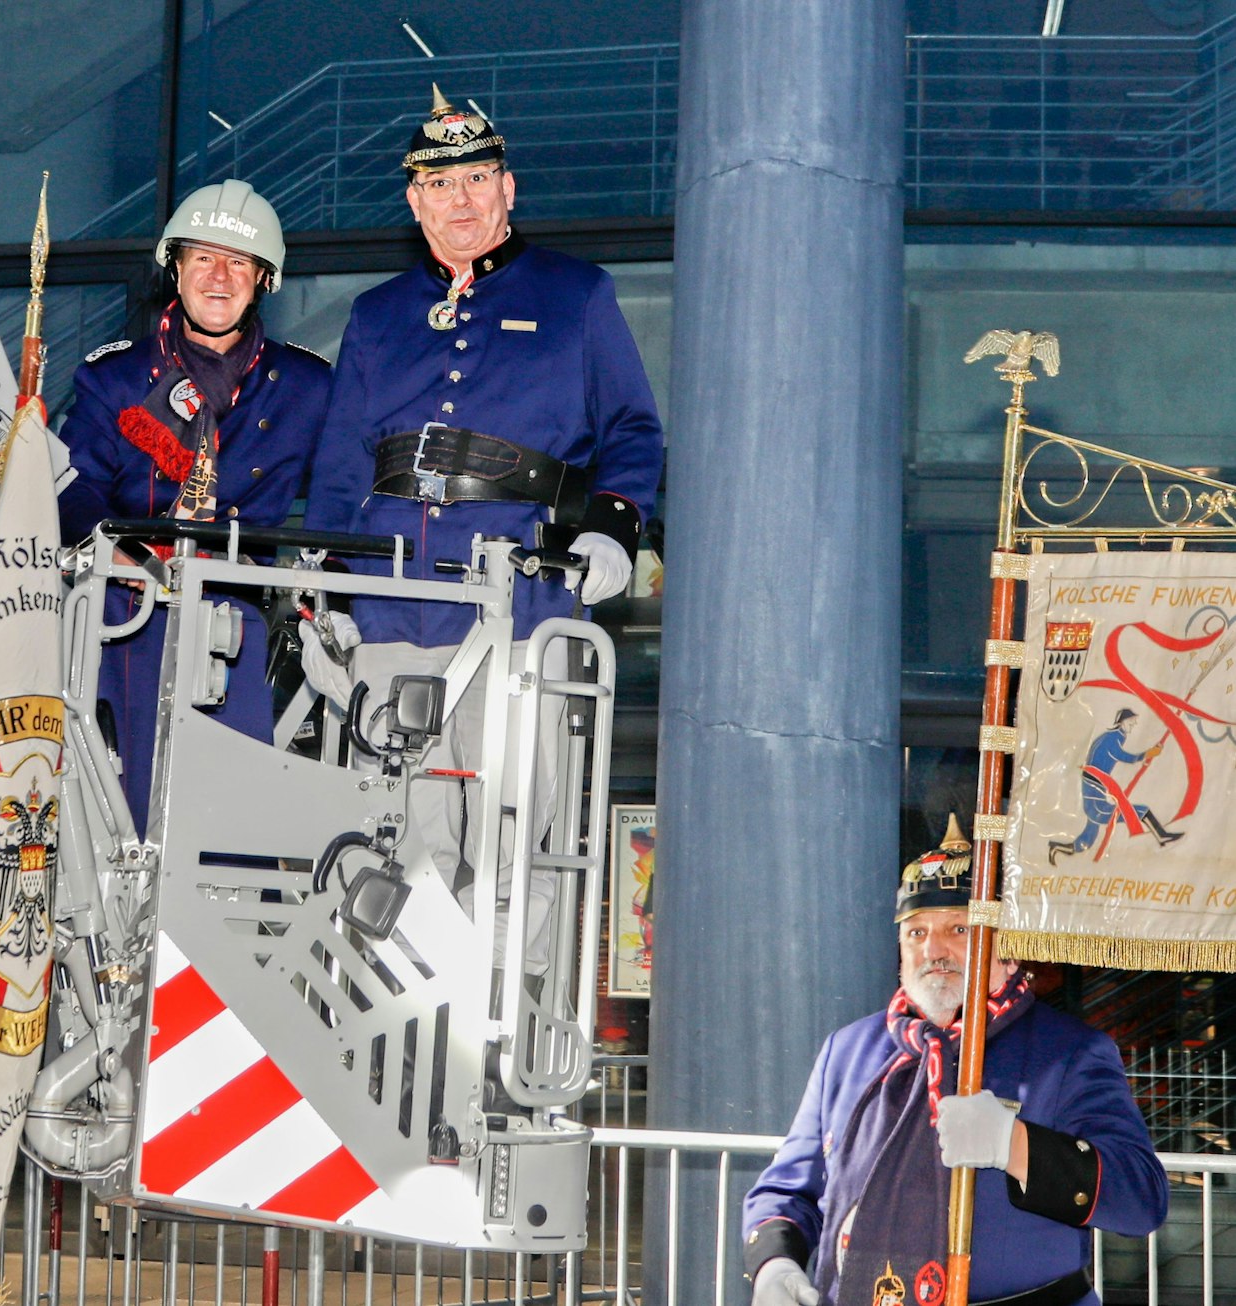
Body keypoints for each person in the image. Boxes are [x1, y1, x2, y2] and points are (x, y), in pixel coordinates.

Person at [299, 86, 663, 947]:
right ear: (413, 201)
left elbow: (632, 429)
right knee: (393, 839)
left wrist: (611, 528)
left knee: (512, 845)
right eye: (440, 185)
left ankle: (498, 1042)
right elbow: (342, 464)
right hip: (392, 605)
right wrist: (323, 594)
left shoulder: (578, 296)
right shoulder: (377, 313)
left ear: (507, 189)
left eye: (476, 179)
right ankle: (394, 1035)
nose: (459, 200)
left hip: (518, 607)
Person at [741, 817, 1168, 1306]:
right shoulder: (849, 1051)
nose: (932, 949)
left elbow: (1142, 1200)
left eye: (959, 928)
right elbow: (786, 1189)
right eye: (916, 932)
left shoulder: (1069, 1053)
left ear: (1008, 949)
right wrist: (776, 1263)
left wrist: (1017, 1145)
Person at [57, 179, 332, 827]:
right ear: (173, 268)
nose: (219, 276)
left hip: (234, 623)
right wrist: (121, 558)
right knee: (112, 812)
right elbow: (74, 490)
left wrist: (332, 590)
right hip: (122, 613)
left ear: (264, 279)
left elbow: (345, 490)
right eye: (203, 257)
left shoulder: (307, 385)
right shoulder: (115, 376)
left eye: (239, 262)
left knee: (228, 819)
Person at [1048, 707, 1180, 865]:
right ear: (1123, 721)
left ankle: (1055, 847)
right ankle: (1162, 836)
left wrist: (1147, 755)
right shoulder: (1113, 737)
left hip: (1096, 788)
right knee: (1137, 811)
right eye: (1132, 721)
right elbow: (1122, 756)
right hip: (1094, 791)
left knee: (1087, 841)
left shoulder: (1113, 736)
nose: (1134, 724)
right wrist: (1147, 754)